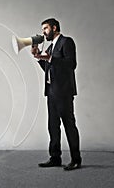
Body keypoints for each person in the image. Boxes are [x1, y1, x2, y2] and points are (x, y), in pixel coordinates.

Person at [31, 18, 82, 171]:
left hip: (64, 92)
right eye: (42, 29)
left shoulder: (67, 42)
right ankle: (55, 158)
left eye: (45, 28)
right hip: (51, 92)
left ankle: (76, 160)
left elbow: (71, 64)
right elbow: (49, 67)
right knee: (53, 126)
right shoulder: (51, 46)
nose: (43, 32)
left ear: (54, 28)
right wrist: (39, 57)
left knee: (69, 125)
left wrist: (50, 58)